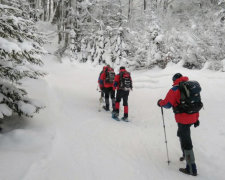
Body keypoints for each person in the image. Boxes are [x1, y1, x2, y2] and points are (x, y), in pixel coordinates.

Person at [157, 73, 199, 176]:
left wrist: (160, 102)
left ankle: (191, 168)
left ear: (174, 80)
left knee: (186, 141)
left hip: (183, 118)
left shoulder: (175, 89)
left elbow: (167, 104)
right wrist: (196, 119)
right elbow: (196, 103)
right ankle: (185, 155)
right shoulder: (191, 86)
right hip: (193, 117)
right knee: (181, 134)